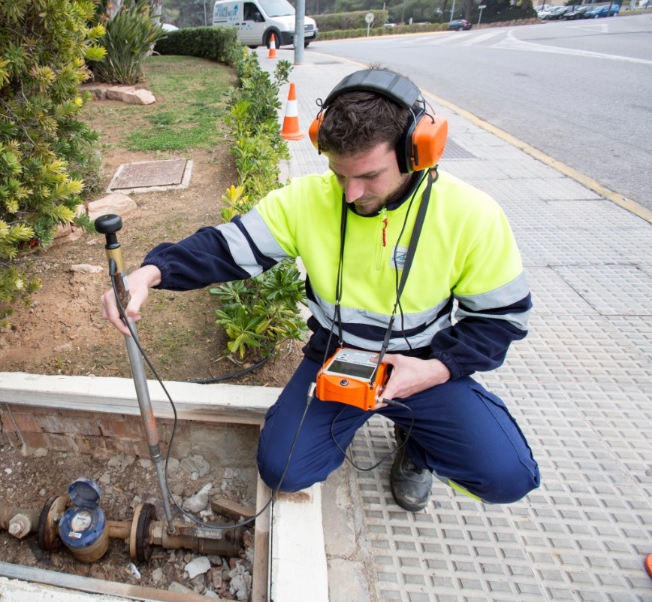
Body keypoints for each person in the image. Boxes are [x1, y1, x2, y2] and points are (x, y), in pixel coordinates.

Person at [101, 68, 540, 512]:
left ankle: (417, 444)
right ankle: (362, 419)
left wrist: (438, 369)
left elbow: (501, 319)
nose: (350, 194)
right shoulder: (306, 200)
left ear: (416, 151)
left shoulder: (472, 215)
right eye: (339, 174)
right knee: (284, 470)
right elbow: (225, 248)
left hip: (420, 364)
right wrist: (150, 273)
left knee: (508, 477)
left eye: (369, 175)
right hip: (335, 357)